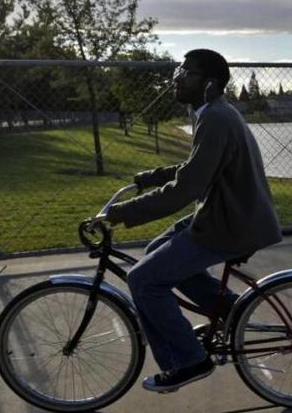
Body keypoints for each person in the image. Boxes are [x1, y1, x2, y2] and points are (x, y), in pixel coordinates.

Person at [104, 49, 282, 393]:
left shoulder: (215, 117)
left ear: (209, 83)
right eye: (178, 71)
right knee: (157, 249)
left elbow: (187, 188)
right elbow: (198, 167)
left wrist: (121, 213)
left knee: (143, 280)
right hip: (227, 214)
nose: (176, 78)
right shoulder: (213, 113)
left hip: (231, 224)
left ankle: (188, 360)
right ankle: (231, 311)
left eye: (186, 73)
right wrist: (152, 177)